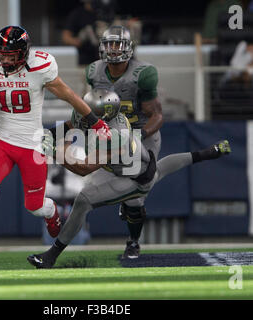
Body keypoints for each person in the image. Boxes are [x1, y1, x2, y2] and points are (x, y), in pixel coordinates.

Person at [0, 26, 112, 270]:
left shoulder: (40, 67)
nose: (6, 59)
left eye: (11, 55)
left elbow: (69, 95)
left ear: (25, 53)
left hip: (32, 143)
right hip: (0, 141)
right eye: (2, 54)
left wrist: (96, 121)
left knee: (35, 206)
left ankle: (51, 213)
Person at [26, 88, 231, 269]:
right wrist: (49, 134)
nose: (83, 115)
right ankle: (208, 153)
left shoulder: (115, 136)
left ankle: (50, 257)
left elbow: (84, 169)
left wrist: (56, 151)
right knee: (161, 169)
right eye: (83, 109)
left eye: (88, 113)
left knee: (84, 201)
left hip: (135, 179)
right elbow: (71, 125)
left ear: (104, 117)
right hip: (121, 167)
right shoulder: (96, 118)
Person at [84, 25, 163, 258]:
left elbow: (157, 116)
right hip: (112, 135)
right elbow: (91, 104)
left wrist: (138, 137)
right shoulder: (93, 71)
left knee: (136, 199)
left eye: (118, 44)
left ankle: (133, 241)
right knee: (91, 187)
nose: (114, 49)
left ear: (129, 47)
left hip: (141, 133)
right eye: (109, 44)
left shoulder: (144, 74)